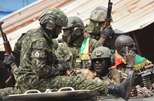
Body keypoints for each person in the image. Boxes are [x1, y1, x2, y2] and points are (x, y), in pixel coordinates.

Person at [1, 8, 135, 100]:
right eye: (59, 27)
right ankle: (116, 89)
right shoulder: (40, 41)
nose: (60, 32)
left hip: (25, 80)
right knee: (77, 81)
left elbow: (16, 52)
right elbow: (41, 70)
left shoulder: (29, 34)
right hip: (35, 82)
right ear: (51, 25)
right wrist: (61, 67)